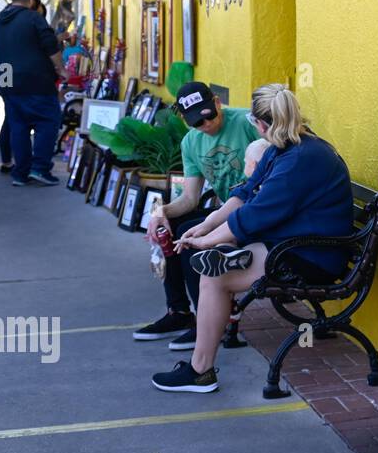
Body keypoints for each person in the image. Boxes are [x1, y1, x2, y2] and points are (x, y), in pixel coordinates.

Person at [151, 84, 354, 393]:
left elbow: (255, 213)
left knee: (215, 274)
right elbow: (243, 194)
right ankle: (205, 350)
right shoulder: (285, 148)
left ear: (259, 124)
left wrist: (207, 241)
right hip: (292, 243)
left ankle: (200, 371)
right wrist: (205, 227)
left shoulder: (299, 158)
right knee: (217, 262)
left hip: (314, 255)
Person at [134, 81, 258, 349]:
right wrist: (160, 212)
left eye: (209, 115)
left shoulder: (247, 122)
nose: (206, 125)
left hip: (254, 211)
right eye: (196, 122)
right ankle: (179, 312)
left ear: (216, 102)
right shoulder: (191, 142)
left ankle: (208, 321)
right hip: (228, 209)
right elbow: (189, 198)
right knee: (170, 226)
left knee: (188, 234)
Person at [0, 0, 65, 186]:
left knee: (18, 126)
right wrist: (61, 69)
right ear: (31, 0)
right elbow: (51, 46)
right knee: (47, 122)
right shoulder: (34, 18)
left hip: (6, 80)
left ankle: (20, 173)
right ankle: (39, 169)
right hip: (35, 80)